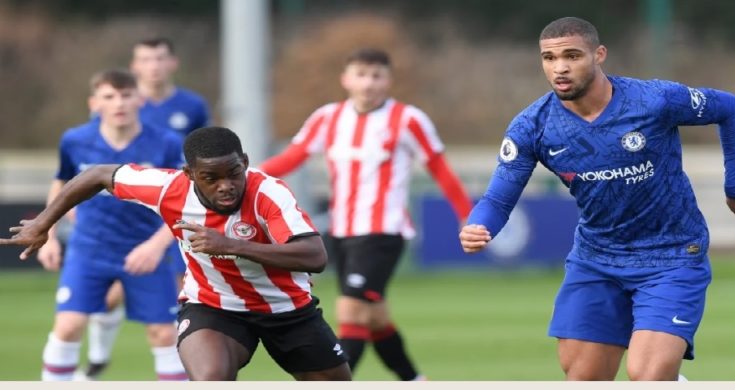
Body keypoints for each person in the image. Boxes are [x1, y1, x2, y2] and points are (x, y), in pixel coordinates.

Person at [458, 17, 735, 381]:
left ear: (599, 54)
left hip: (672, 255)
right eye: (549, 58)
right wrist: (478, 225)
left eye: (572, 56)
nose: (560, 67)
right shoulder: (533, 127)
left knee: (647, 375)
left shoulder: (653, 101)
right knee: (585, 378)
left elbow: (729, 108)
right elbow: (497, 199)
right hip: (597, 260)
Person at [2, 126, 352, 381]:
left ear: (244, 162)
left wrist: (230, 245)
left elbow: (314, 256)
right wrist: (43, 223)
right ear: (190, 174)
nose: (226, 185)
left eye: (234, 173)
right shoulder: (167, 188)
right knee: (210, 378)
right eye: (210, 177)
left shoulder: (269, 193)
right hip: (214, 307)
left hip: (287, 310)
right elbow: (96, 174)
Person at [259, 48, 473, 380]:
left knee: (351, 311)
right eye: (361, 75)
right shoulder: (328, 117)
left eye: (377, 76)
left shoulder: (408, 119)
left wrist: (467, 215)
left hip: (383, 231)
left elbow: (439, 168)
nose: (368, 83)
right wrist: (247, 176)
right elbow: (292, 157)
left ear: (388, 80)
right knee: (375, 319)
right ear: (346, 79)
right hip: (342, 231)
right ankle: (416, 381)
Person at [32, 69, 187, 381]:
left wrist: (155, 246)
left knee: (164, 333)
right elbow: (61, 183)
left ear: (140, 100)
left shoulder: (167, 143)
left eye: (126, 95)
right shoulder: (75, 140)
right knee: (68, 326)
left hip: (146, 251)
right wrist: (48, 234)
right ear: (94, 103)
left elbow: (185, 201)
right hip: (89, 249)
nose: (119, 103)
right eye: (109, 96)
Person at [80, 37, 212, 380]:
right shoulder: (120, 102)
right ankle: (97, 360)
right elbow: (91, 152)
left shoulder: (191, 105)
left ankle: (188, 366)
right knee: (109, 295)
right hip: (128, 216)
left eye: (159, 58)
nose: (153, 66)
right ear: (135, 66)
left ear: (172, 63)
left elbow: (204, 155)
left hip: (174, 214)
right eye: (146, 59)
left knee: (186, 295)